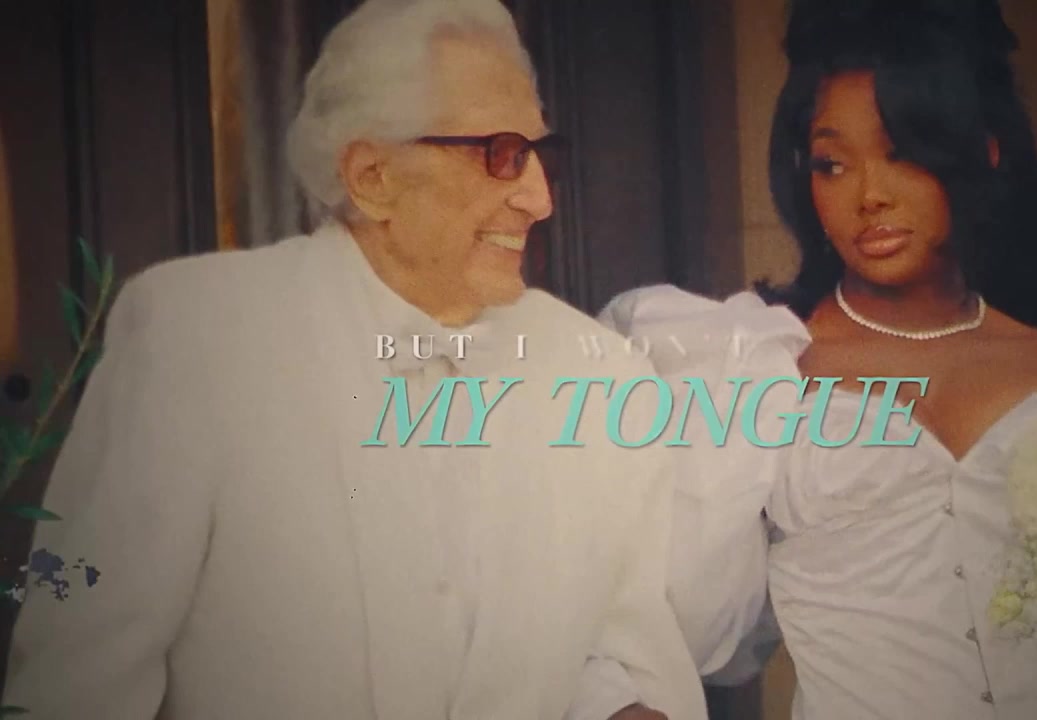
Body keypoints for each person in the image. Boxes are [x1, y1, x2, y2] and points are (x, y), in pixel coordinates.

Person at [2, 1, 705, 718]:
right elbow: (74, 675)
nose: (539, 199)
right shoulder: (198, 339)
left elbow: (621, 652)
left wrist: (623, 704)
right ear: (372, 176)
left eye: (537, 156)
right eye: (501, 154)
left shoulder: (599, 375)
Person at [599, 0, 1037, 717]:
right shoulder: (754, 371)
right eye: (833, 164)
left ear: (983, 150)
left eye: (902, 152)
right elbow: (628, 616)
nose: (869, 195)